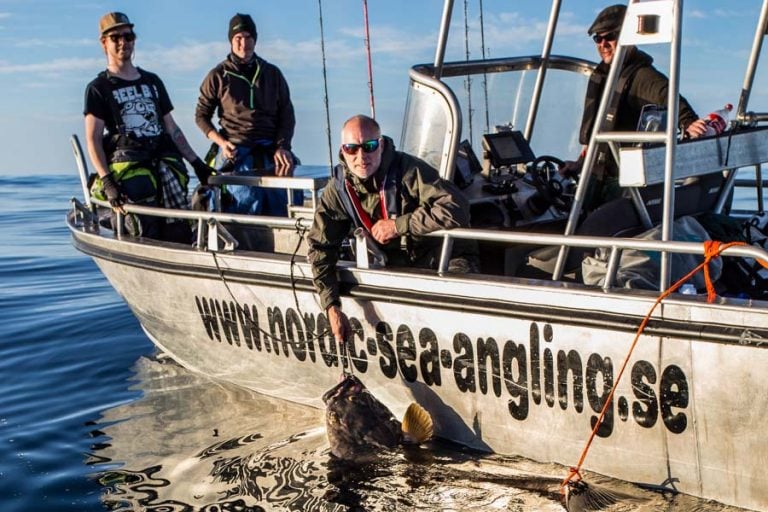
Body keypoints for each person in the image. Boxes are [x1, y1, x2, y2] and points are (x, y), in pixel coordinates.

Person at [307, 115, 475, 343]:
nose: (361, 157)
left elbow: (456, 207)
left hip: (441, 259)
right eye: (351, 148)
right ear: (343, 151)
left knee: (457, 303)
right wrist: (331, 306)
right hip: (394, 270)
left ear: (381, 144)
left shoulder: (408, 170)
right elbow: (320, 248)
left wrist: (399, 225)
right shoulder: (338, 188)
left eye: (369, 146)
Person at [561, 4, 708, 211]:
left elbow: (669, 95)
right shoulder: (603, 75)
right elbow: (597, 130)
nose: (603, 44)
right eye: (598, 39)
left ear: (627, 37)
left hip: (621, 181)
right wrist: (579, 163)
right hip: (595, 175)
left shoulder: (642, 76)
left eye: (610, 37)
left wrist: (689, 123)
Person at [84, 12, 214, 242]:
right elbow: (93, 139)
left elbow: (172, 128)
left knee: (179, 230)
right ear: (104, 42)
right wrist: (107, 181)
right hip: (132, 175)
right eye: (116, 37)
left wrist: (196, 163)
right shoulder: (98, 88)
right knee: (143, 231)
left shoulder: (152, 82)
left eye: (129, 36)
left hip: (164, 168)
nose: (124, 42)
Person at [195, 13, 299, 216]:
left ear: (255, 39)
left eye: (248, 37)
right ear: (231, 41)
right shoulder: (218, 75)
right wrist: (221, 143)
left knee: (284, 197)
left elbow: (287, 113)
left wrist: (283, 147)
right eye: (238, 38)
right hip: (235, 148)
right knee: (246, 199)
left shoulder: (272, 73)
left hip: (270, 147)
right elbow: (201, 116)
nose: (244, 43)